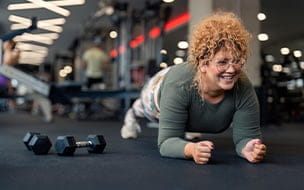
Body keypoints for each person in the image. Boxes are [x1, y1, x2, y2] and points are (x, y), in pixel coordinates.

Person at [120, 12, 267, 164]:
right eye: (222, 62)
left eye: (236, 61)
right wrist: (191, 149)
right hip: (161, 86)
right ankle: (131, 115)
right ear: (203, 64)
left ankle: (189, 125)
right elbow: (166, 143)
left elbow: (246, 136)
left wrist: (248, 147)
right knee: (142, 108)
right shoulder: (178, 86)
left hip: (188, 89)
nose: (231, 70)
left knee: (186, 119)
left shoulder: (243, 87)